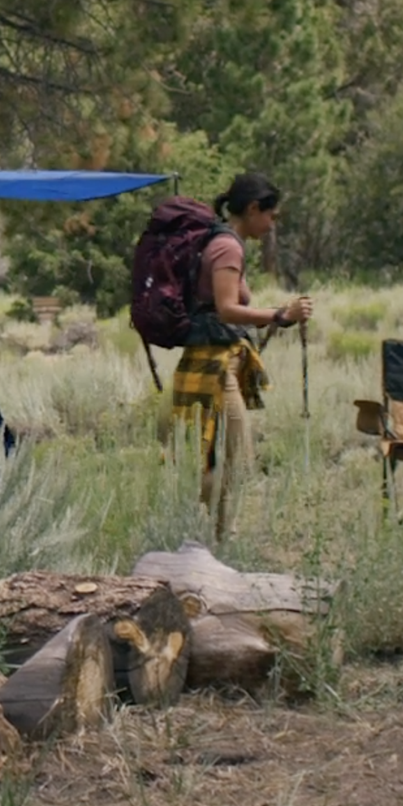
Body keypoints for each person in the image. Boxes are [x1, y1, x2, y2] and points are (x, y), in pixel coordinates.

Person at [170, 173, 315, 540]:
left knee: (220, 455)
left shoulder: (221, 241)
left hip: (213, 362)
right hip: (214, 365)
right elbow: (227, 309)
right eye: (271, 216)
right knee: (235, 456)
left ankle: (211, 535)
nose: (271, 224)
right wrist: (280, 315)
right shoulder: (227, 246)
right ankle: (215, 537)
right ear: (253, 209)